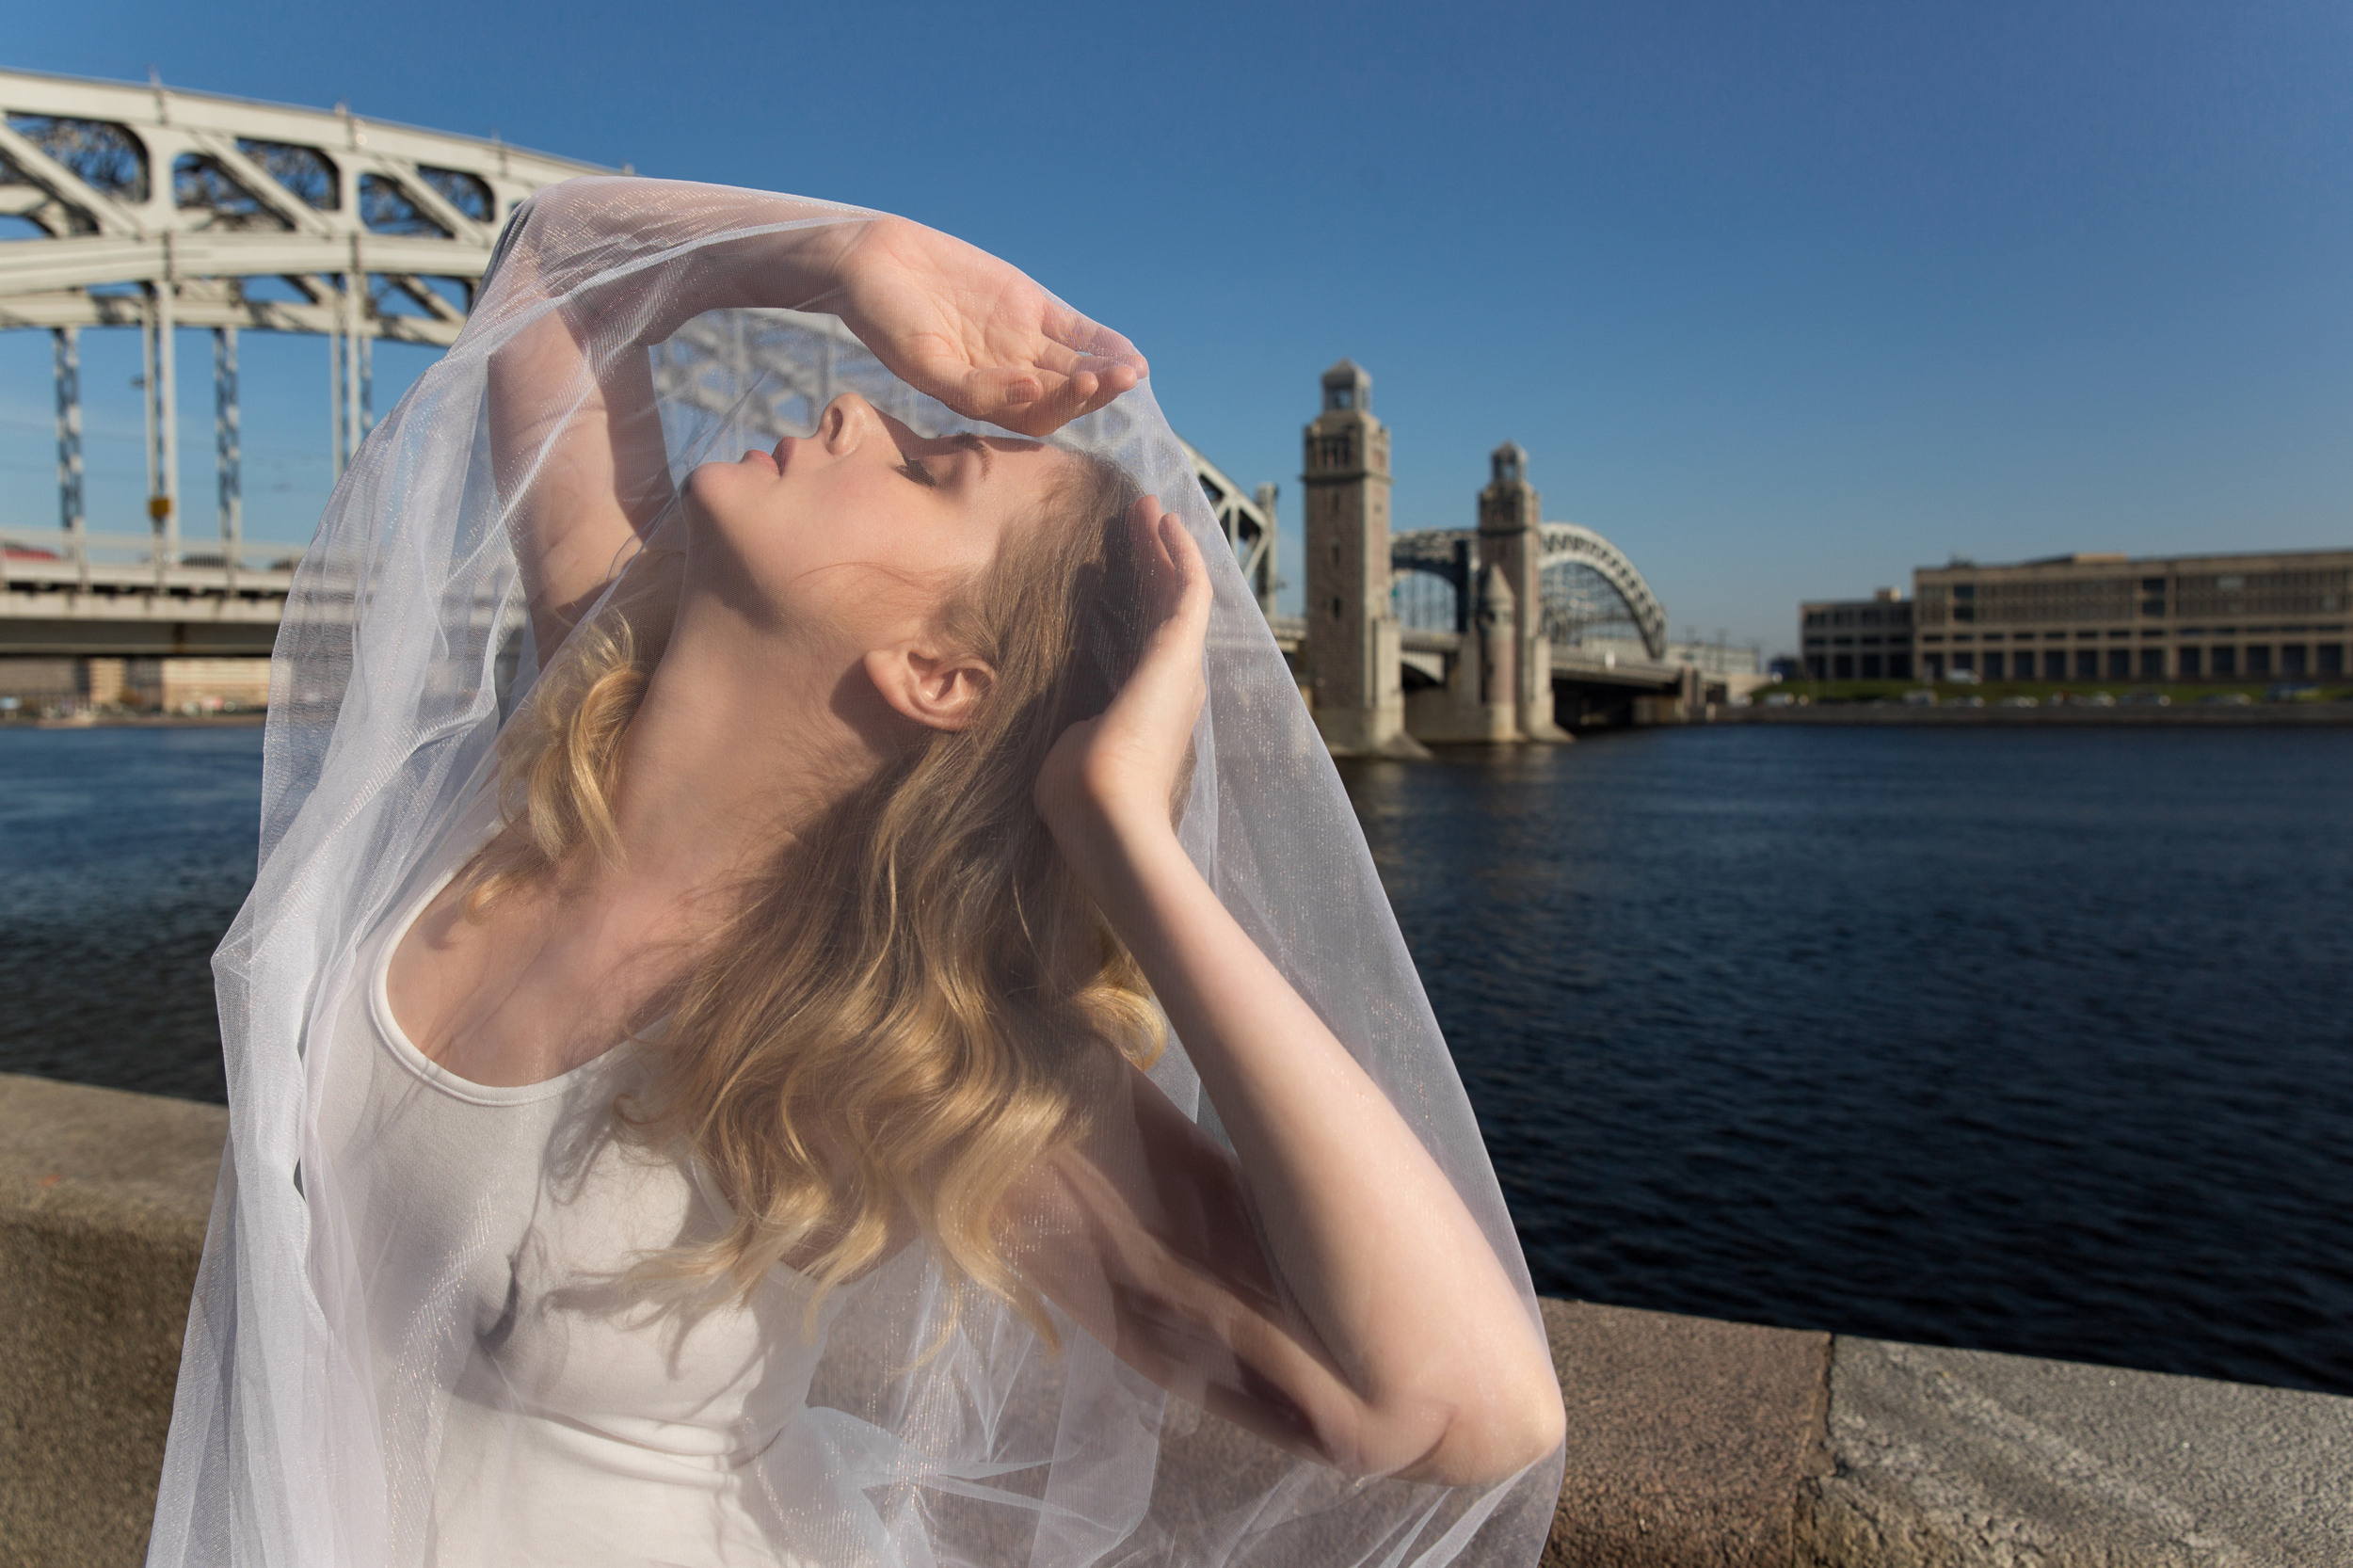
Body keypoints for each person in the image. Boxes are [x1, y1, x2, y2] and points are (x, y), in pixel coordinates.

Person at [149, 177, 1564, 1568]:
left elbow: (1467, 1407)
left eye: (928, 466)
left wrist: (1121, 833)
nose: (850, 408)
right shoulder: (562, 714)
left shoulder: (886, 1038)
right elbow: (548, 267)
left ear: (940, 671)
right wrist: (852, 254)